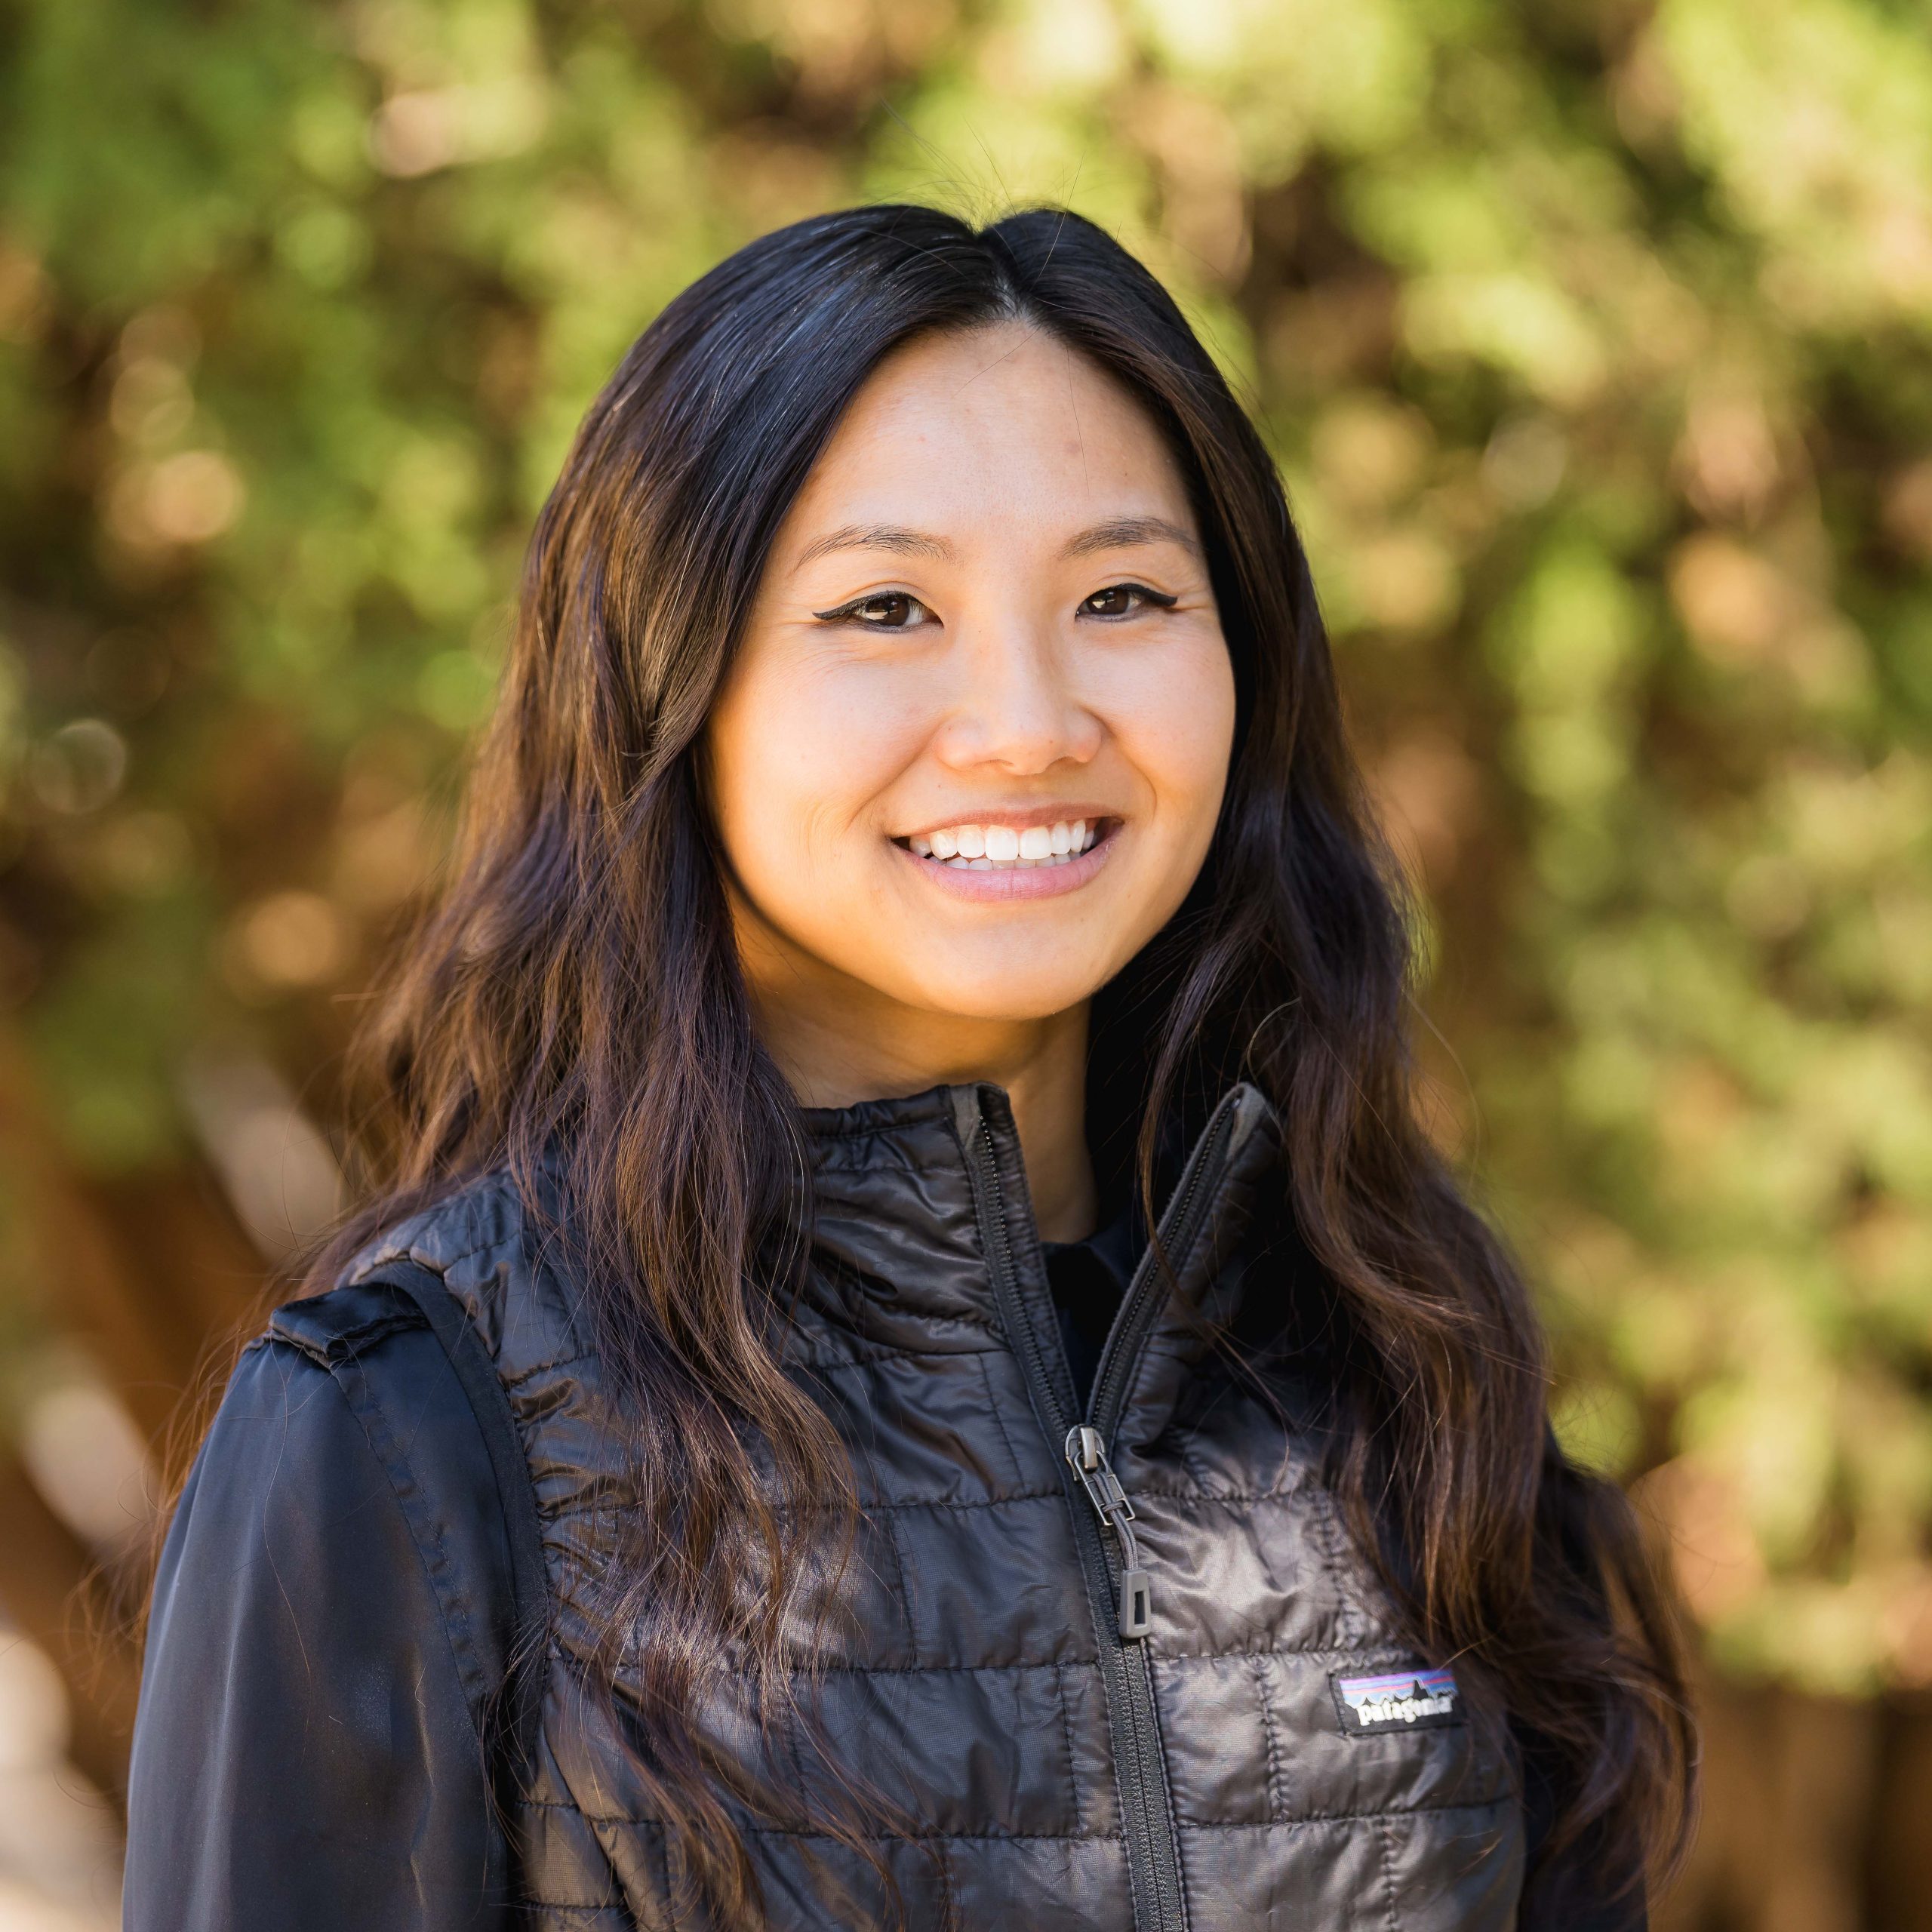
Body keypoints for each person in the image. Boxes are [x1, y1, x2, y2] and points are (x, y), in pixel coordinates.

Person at [122, 205, 1693, 1931]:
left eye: (1121, 594)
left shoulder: (1404, 1362)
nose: (1025, 719)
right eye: (883, 605)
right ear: (671, 683)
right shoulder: (411, 1426)